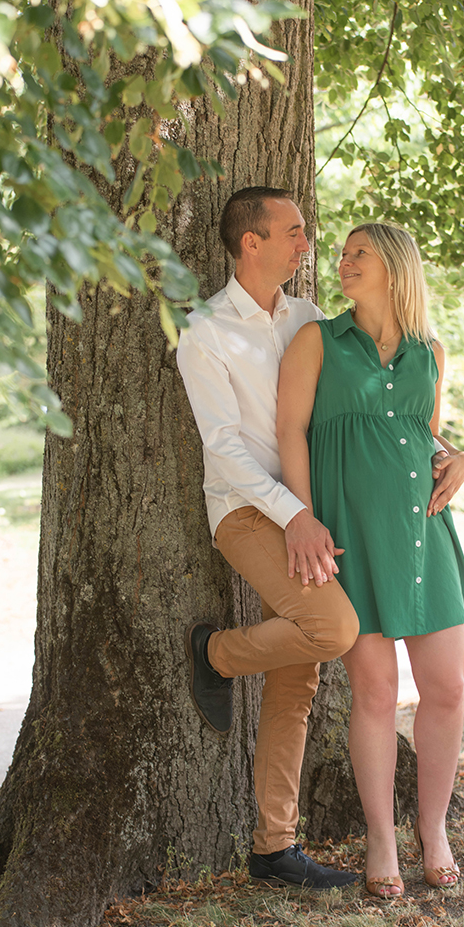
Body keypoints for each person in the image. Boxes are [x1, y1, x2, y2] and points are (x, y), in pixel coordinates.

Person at [277, 222, 464, 899]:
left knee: (445, 691)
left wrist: (462, 456)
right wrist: (301, 516)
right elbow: (289, 432)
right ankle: (381, 838)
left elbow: (420, 433)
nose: (341, 262)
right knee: (374, 693)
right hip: (349, 538)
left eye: (357, 253)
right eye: (342, 254)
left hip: (425, 537)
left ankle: (434, 829)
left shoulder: (430, 353)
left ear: (393, 267)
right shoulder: (317, 341)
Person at [176, 186, 359, 890]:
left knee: (299, 676)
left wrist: (440, 451)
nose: (305, 245)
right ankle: (217, 654)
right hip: (247, 514)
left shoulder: (308, 319)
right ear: (250, 242)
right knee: (331, 629)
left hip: (309, 512)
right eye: (291, 232)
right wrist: (290, 514)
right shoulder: (205, 329)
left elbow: (355, 408)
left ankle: (272, 849)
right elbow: (222, 448)